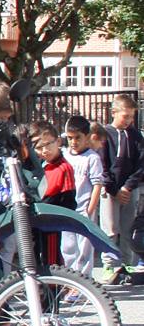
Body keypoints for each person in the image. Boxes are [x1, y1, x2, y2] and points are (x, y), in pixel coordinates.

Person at [96, 93, 144, 284]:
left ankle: (126, 264)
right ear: (114, 113)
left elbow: (141, 163)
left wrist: (128, 187)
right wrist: (114, 189)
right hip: (110, 189)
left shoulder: (135, 135)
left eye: (132, 116)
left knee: (127, 227)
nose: (129, 120)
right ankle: (110, 265)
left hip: (129, 189)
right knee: (110, 227)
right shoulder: (105, 134)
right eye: (125, 116)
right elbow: (102, 164)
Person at [63, 115, 106, 276]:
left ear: (87, 137)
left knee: (84, 247)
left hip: (84, 208)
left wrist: (90, 209)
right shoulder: (64, 155)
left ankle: (83, 279)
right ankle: (68, 278)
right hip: (67, 208)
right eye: (70, 138)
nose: (73, 142)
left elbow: (97, 184)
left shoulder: (92, 158)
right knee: (68, 247)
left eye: (77, 138)